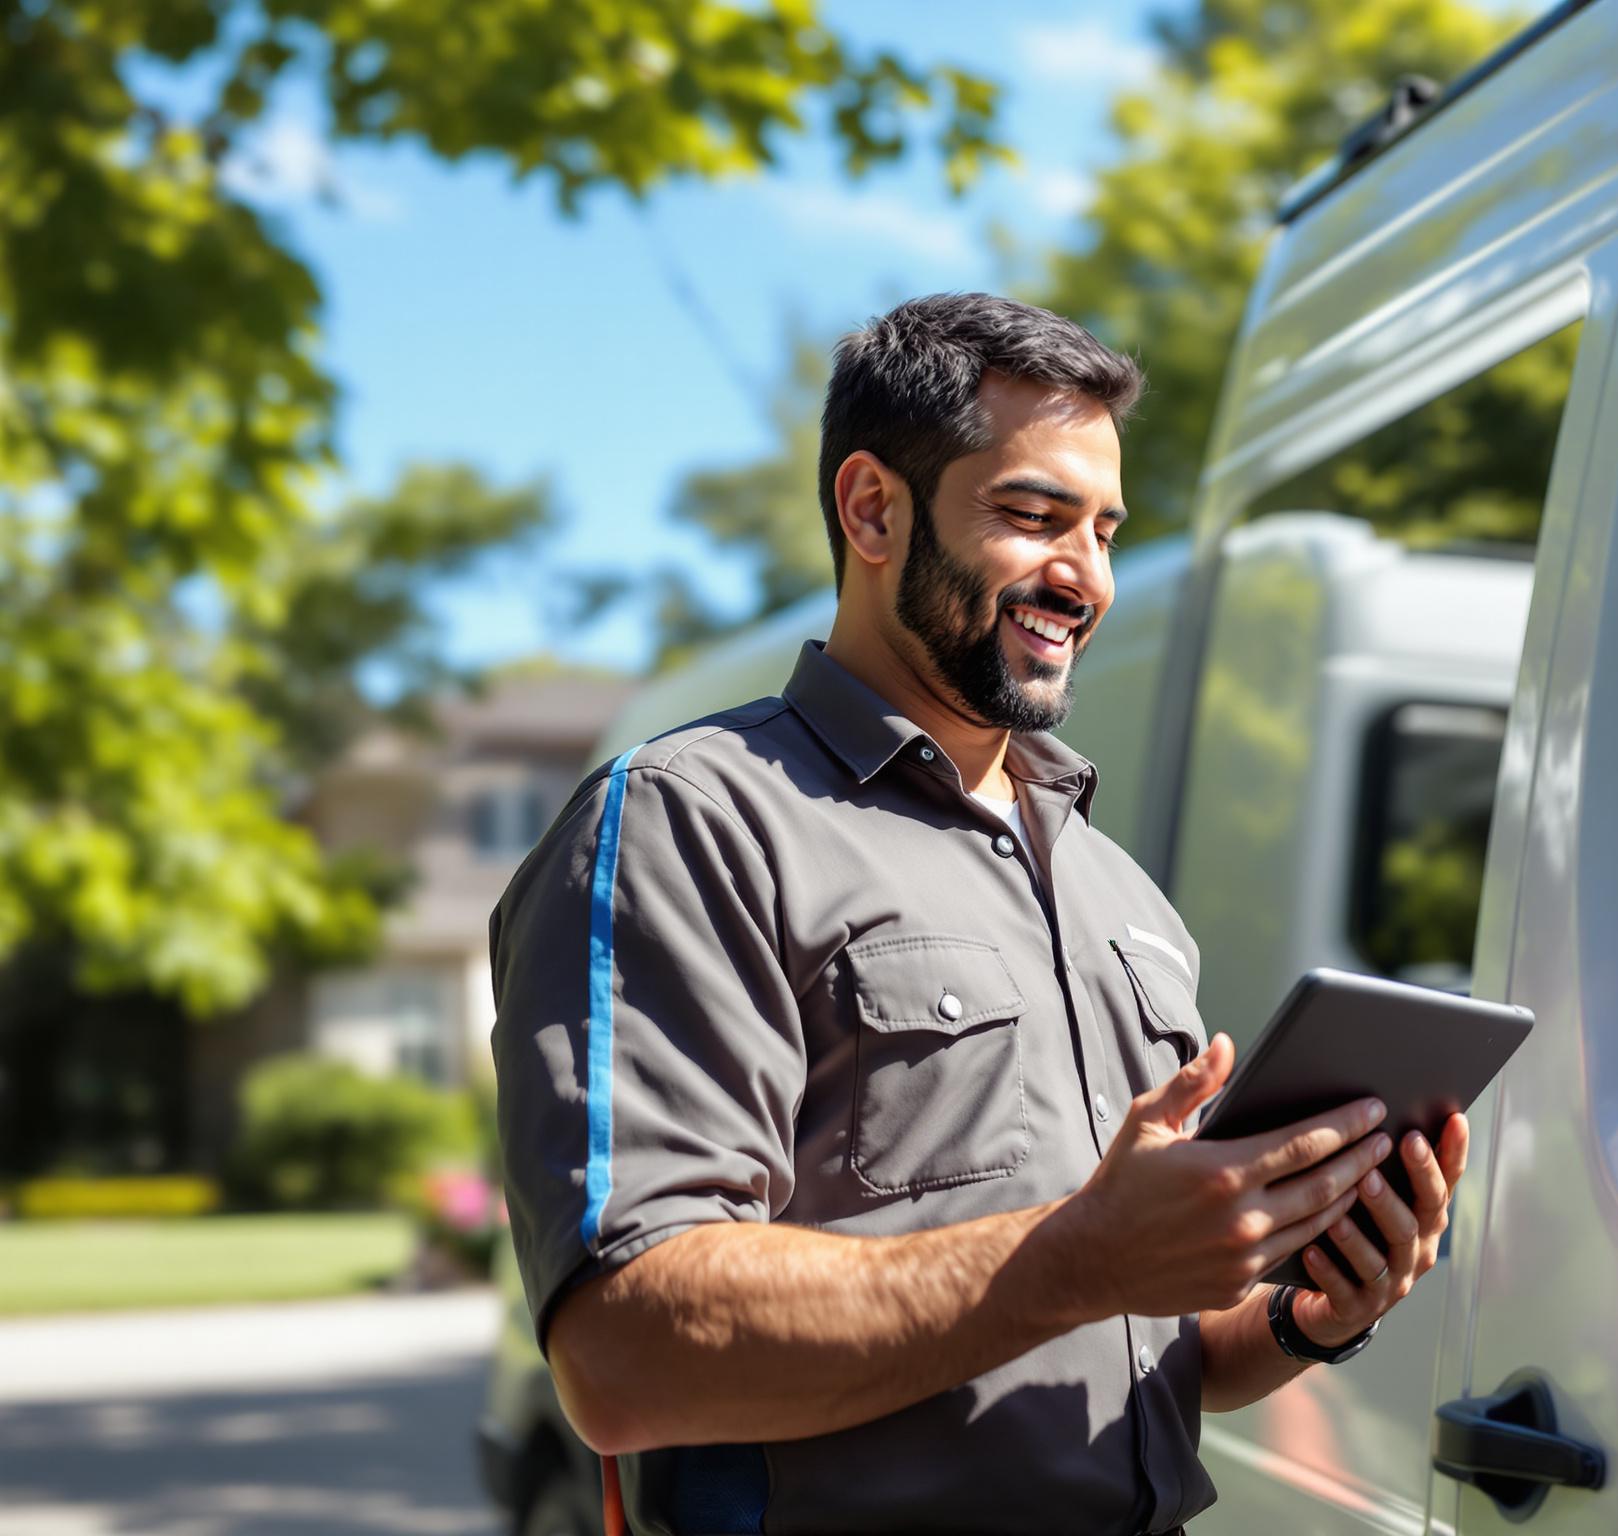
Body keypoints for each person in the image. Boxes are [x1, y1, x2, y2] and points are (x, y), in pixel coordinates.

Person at [489, 293, 1469, 1536]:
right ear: (872, 509)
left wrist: (1302, 1310)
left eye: (1105, 530)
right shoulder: (690, 823)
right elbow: (629, 1351)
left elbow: (1149, 1341)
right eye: (1031, 516)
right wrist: (1084, 1254)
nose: (1086, 577)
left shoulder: (1124, 896)